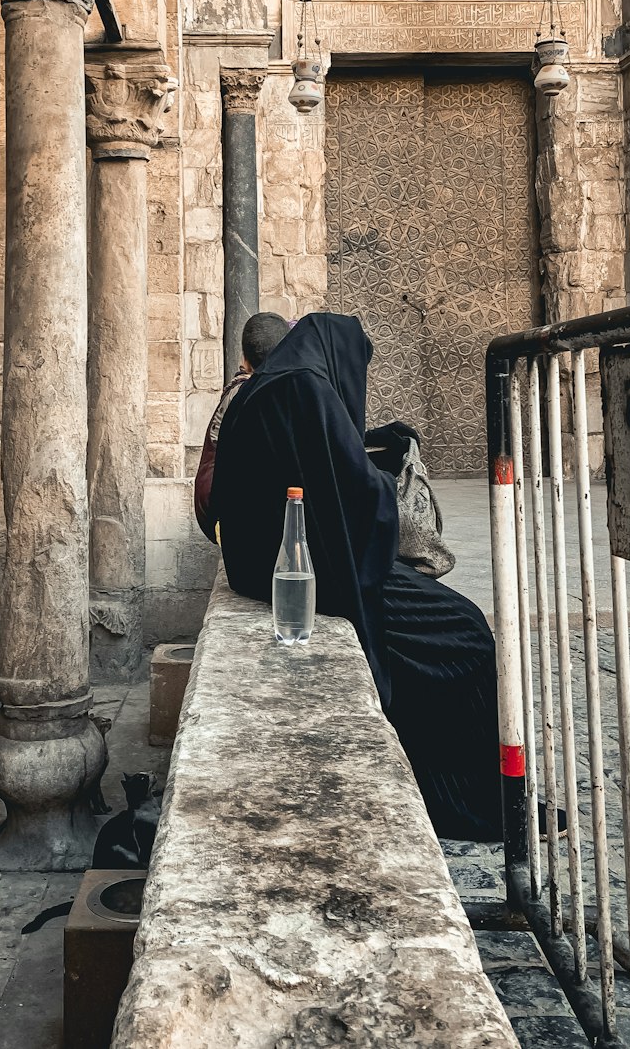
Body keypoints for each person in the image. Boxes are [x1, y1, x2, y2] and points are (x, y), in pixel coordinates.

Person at [210, 311, 503, 843]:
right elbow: (362, 498)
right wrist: (382, 480)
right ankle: (470, 800)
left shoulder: (270, 387)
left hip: (262, 564)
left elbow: (320, 463)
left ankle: (442, 783)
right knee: (466, 632)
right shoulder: (303, 389)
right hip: (309, 571)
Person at [194, 312, 290, 542]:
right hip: (231, 508)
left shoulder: (245, 389)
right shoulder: (255, 392)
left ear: (245, 358)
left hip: (224, 503)